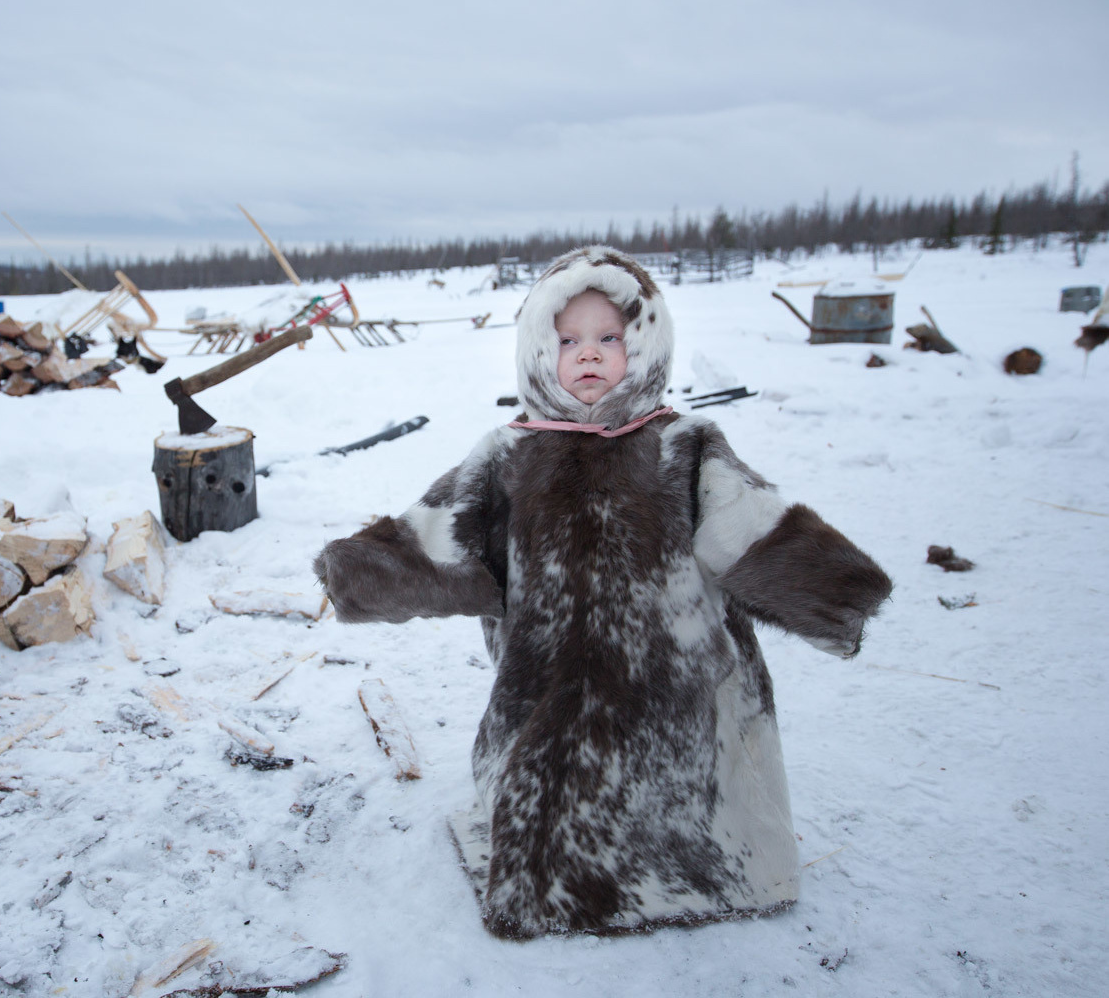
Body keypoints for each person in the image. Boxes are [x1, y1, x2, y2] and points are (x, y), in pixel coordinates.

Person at [312, 246, 892, 938]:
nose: (588, 355)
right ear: (536, 351)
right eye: (568, 340)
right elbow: (441, 538)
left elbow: (752, 526)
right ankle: (558, 868)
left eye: (609, 338)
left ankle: (694, 860)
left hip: (677, 687)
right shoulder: (509, 456)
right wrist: (363, 570)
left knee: (680, 784)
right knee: (554, 785)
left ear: (645, 345)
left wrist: (835, 590)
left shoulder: (683, 447)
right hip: (545, 684)